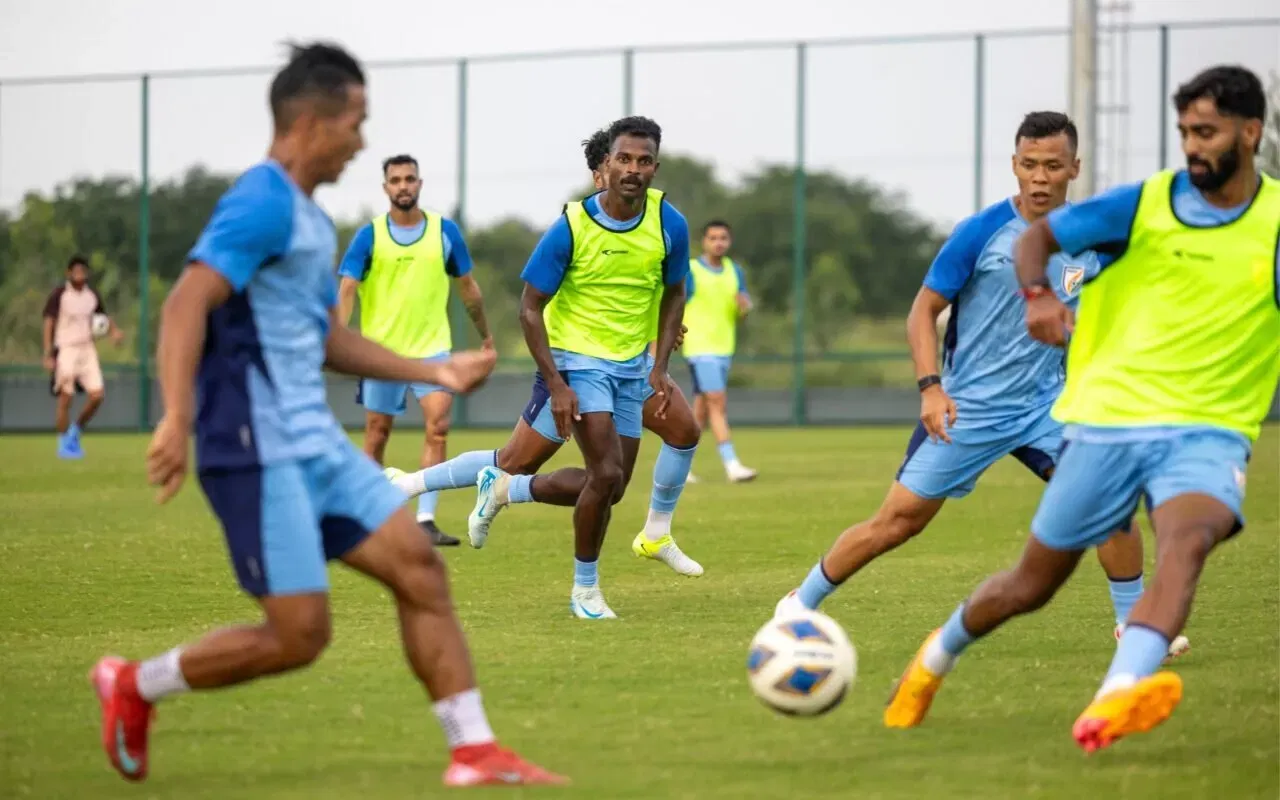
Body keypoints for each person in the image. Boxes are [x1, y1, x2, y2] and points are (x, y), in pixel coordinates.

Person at [87, 42, 565, 788]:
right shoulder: (262, 199)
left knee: (419, 568)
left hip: (315, 442)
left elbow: (324, 339)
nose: (364, 141)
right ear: (313, 120)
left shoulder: (308, 220)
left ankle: (473, 750)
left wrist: (431, 368)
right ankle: (134, 685)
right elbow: (187, 303)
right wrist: (174, 416)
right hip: (253, 448)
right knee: (300, 635)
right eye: (356, 121)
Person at [883, 66, 1277, 754]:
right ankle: (935, 657)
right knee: (1029, 585)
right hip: (1109, 418)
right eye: (1185, 131)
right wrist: (1038, 296)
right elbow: (1035, 239)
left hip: (1208, 430)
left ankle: (1114, 696)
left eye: (1206, 132)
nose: (1192, 147)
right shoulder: (1145, 203)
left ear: (1251, 133)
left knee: (1186, 541)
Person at [774, 111, 1172, 655]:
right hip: (968, 408)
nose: (1039, 177)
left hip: (1047, 408)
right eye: (1028, 164)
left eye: (1052, 166)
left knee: (1108, 504)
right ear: (1013, 165)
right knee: (897, 523)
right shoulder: (981, 232)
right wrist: (930, 388)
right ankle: (798, 605)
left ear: (1073, 168)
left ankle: (1136, 626)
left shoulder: (1097, 237)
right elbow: (922, 311)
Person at [386, 126, 704, 578]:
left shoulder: (659, 223)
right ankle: (417, 483)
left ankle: (656, 532)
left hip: (633, 364)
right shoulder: (577, 225)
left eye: (642, 162)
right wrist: (558, 377)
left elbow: (653, 287)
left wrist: (663, 339)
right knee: (517, 463)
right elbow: (544, 302)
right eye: (616, 165)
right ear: (602, 172)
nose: (626, 174)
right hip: (576, 364)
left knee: (681, 432)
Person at [337, 153, 492, 547]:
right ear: (385, 187)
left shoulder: (444, 231)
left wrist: (484, 333)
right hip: (381, 355)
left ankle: (425, 519)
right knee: (376, 432)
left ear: (419, 184)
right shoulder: (369, 235)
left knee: (437, 428)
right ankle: (372, 518)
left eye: (410, 178)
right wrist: (337, 336)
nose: (403, 185)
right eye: (396, 179)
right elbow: (347, 289)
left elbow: (468, 287)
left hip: (433, 350)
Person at [684, 220, 757, 482]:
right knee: (718, 403)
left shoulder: (734, 271)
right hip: (699, 347)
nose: (718, 242)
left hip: (724, 347)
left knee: (701, 411)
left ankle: (680, 467)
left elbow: (742, 308)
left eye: (723, 238)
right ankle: (732, 465)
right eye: (713, 237)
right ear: (704, 241)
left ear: (729, 241)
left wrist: (744, 307)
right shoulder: (691, 270)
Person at [42, 255, 124, 458]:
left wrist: (114, 331)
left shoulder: (91, 295)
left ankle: (75, 432)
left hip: (87, 349)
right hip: (66, 348)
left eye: (83, 270)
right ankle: (63, 444)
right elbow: (49, 323)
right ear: (68, 273)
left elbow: (103, 316)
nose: (79, 274)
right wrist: (48, 353)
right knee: (65, 397)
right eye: (75, 270)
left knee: (97, 396)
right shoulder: (59, 294)